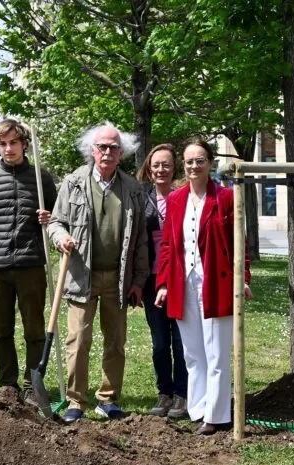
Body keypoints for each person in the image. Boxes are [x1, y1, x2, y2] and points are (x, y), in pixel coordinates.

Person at [48, 123, 148, 422]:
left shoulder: (132, 188)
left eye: (113, 148)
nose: (107, 152)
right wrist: (60, 237)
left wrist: (139, 280)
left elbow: (141, 238)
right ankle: (76, 401)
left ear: (122, 153)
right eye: (102, 147)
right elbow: (55, 222)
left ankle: (108, 399)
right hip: (81, 274)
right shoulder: (74, 182)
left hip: (118, 278)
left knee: (115, 341)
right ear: (92, 150)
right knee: (78, 340)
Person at [155, 139, 252, 435]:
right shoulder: (175, 199)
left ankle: (217, 414)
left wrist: (244, 277)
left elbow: (239, 241)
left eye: (199, 160)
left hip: (217, 282)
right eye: (188, 161)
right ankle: (198, 409)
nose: (193, 166)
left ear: (210, 163)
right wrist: (163, 283)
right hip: (183, 283)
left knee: (217, 353)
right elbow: (169, 245)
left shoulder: (225, 197)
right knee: (193, 353)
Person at [0, 118, 56, 403]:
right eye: (2, 144)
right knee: (1, 330)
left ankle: (32, 386)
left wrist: (49, 217)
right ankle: (8, 386)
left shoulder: (42, 178)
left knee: (35, 329)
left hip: (31, 264)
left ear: (24, 144)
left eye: (13, 143)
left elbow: (58, 218)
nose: (8, 149)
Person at [137, 144, 189, 419]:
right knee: (159, 341)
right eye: (156, 164)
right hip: (151, 279)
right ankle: (164, 392)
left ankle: (182, 394)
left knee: (181, 340)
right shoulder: (142, 197)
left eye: (166, 164)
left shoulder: (184, 196)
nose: (161, 169)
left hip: (180, 278)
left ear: (174, 168)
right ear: (149, 168)